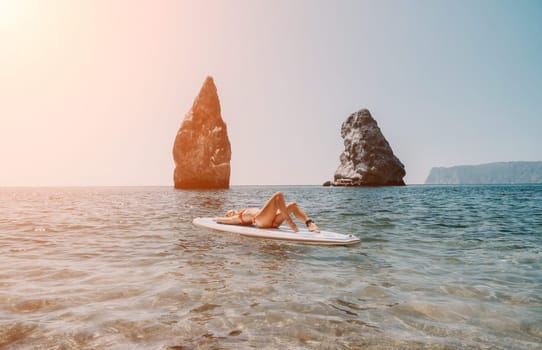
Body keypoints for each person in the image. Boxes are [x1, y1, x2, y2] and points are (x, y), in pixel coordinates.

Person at [213, 191, 320, 233]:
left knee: (293, 205)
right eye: (229, 213)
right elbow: (227, 220)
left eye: (231, 211)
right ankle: (289, 221)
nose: (231, 212)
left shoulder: (242, 212)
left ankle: (310, 224)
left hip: (270, 220)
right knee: (278, 195)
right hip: (261, 221)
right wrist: (216, 219)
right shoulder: (238, 217)